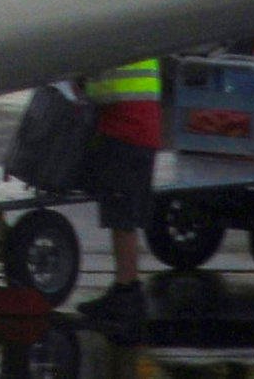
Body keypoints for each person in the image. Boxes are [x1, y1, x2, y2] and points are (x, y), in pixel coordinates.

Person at [78, 58, 163, 318]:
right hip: (144, 132)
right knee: (124, 218)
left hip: (124, 133)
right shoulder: (144, 47)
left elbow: (105, 93)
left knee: (121, 217)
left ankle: (127, 292)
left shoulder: (120, 48)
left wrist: (84, 86)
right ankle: (126, 286)